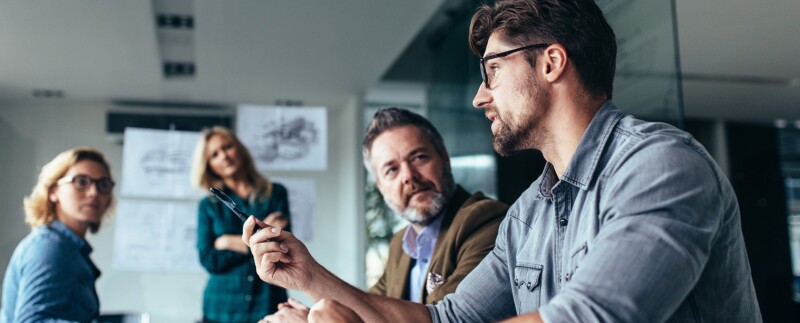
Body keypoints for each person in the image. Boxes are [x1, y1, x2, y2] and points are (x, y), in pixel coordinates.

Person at [244, 0, 762, 322]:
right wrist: (308, 276)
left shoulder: (660, 165)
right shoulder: (528, 214)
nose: (479, 97)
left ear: (551, 62)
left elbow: (592, 317)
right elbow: (447, 319)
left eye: (492, 71)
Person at [261, 108, 508, 322]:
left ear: (444, 157)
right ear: (380, 186)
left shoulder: (485, 220)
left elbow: (445, 319)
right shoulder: (401, 244)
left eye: (419, 157)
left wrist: (310, 283)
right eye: (392, 169)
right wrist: (310, 309)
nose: (408, 176)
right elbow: (367, 310)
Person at [1, 147, 115, 322]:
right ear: (53, 191)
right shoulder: (49, 247)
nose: (94, 192)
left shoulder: (71, 250)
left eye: (103, 185)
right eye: (81, 182)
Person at [191, 126, 290, 323]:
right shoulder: (208, 205)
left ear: (239, 149)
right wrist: (259, 240)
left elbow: (281, 248)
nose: (224, 156)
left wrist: (226, 242)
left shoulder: (275, 193)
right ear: (209, 165)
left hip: (268, 301)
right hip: (221, 308)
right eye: (214, 155)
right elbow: (208, 259)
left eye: (227, 147)